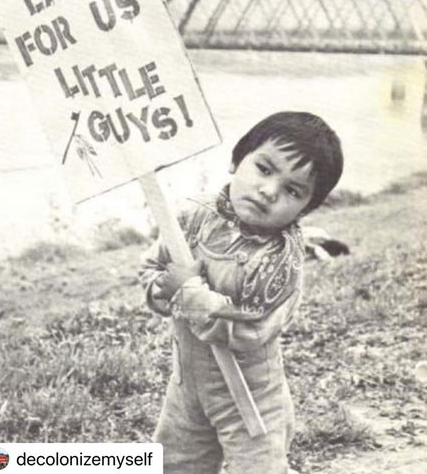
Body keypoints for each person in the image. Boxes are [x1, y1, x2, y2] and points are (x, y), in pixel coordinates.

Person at [139, 111, 343, 474]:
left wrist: (186, 291)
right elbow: (153, 268)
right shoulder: (191, 217)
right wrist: (161, 289)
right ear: (237, 160)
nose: (269, 191)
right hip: (187, 385)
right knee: (173, 465)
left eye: (292, 191)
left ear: (304, 209)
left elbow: (251, 327)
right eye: (264, 169)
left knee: (259, 468)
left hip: (249, 397)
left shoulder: (281, 258)